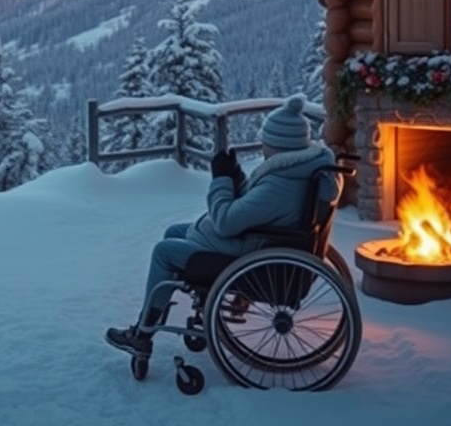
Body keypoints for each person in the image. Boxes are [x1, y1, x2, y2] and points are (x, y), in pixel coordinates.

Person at [104, 94, 336, 359]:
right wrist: (237, 178)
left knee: (164, 251)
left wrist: (222, 179)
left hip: (247, 256)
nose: (262, 147)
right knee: (175, 232)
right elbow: (255, 206)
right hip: (258, 244)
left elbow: (226, 222)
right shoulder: (296, 172)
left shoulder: (280, 185)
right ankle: (185, 311)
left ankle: (142, 334)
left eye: (266, 142)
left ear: (277, 146)